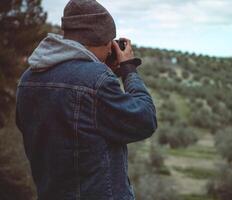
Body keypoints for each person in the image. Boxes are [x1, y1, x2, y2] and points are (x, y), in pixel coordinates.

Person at [15, 0, 157, 199]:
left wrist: (103, 73)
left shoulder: (28, 79)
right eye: (110, 44)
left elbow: (72, 121)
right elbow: (145, 120)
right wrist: (129, 69)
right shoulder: (95, 81)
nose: (110, 51)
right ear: (104, 41)